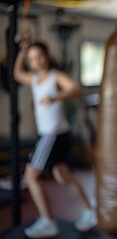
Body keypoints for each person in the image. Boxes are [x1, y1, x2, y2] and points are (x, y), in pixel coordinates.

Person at [14, 39, 97, 238]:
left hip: (52, 134)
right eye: (33, 59)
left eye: (40, 56)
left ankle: (48, 221)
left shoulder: (54, 76)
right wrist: (21, 53)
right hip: (56, 134)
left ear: (48, 56)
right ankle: (89, 211)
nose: (37, 61)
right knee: (61, 174)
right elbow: (17, 74)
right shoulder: (34, 79)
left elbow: (76, 88)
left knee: (30, 177)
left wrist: (56, 97)